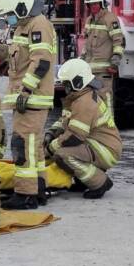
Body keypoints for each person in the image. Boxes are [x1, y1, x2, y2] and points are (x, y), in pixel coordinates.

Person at [0, 0, 56, 210]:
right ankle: (38, 188)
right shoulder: (24, 26)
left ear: (22, 8)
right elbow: (18, 57)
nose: (8, 20)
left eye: (10, 15)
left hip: (32, 98)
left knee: (23, 145)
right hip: (27, 97)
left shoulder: (38, 25)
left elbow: (41, 62)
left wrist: (26, 91)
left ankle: (25, 194)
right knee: (33, 146)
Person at [44, 59, 122, 199]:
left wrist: (50, 148)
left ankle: (100, 183)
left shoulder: (84, 102)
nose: (64, 87)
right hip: (100, 144)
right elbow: (65, 121)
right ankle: (83, 181)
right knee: (60, 149)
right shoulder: (80, 97)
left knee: (63, 154)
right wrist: (51, 133)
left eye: (66, 83)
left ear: (77, 81)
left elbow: (74, 136)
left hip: (105, 149)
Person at [80, 0, 125, 114]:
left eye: (95, 4)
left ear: (102, 4)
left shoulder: (110, 19)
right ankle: (95, 129)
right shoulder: (89, 20)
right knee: (90, 102)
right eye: (90, 4)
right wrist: (81, 61)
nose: (93, 7)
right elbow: (87, 44)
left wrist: (114, 63)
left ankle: (108, 128)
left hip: (104, 70)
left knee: (105, 100)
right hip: (89, 70)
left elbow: (119, 42)